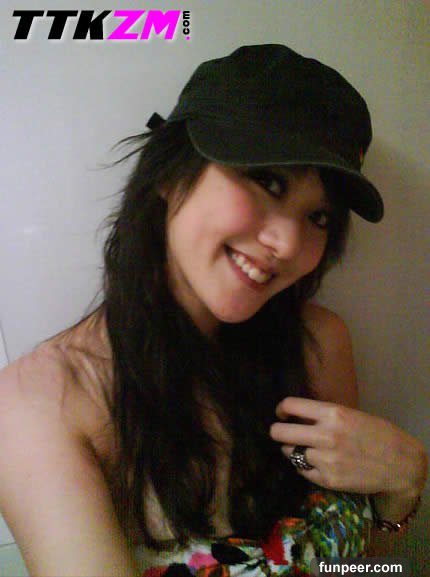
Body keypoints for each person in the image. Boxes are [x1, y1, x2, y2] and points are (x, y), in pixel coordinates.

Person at [0, 44, 427, 577]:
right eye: (267, 181)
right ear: (169, 172)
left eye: (318, 216)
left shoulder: (318, 345)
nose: (289, 243)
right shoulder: (42, 406)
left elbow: (357, 565)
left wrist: (401, 491)